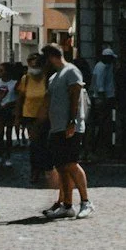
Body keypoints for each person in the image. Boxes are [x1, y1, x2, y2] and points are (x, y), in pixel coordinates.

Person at [42, 41, 92, 219]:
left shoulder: (71, 71)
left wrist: (72, 121)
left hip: (70, 127)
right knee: (61, 166)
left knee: (71, 163)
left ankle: (86, 201)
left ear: (51, 57)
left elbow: (76, 95)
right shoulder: (54, 77)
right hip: (57, 127)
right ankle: (67, 205)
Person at [16, 51, 50, 190]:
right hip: (29, 116)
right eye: (31, 65)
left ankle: (45, 168)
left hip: (46, 116)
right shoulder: (26, 79)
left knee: (45, 144)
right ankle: (35, 171)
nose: (33, 68)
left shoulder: (47, 79)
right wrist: (17, 117)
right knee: (35, 144)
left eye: (36, 65)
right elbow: (20, 98)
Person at [89, 47, 118, 157]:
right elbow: (99, 85)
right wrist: (103, 98)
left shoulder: (104, 66)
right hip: (102, 98)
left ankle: (99, 145)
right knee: (103, 122)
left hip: (103, 97)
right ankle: (100, 146)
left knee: (104, 122)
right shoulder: (102, 67)